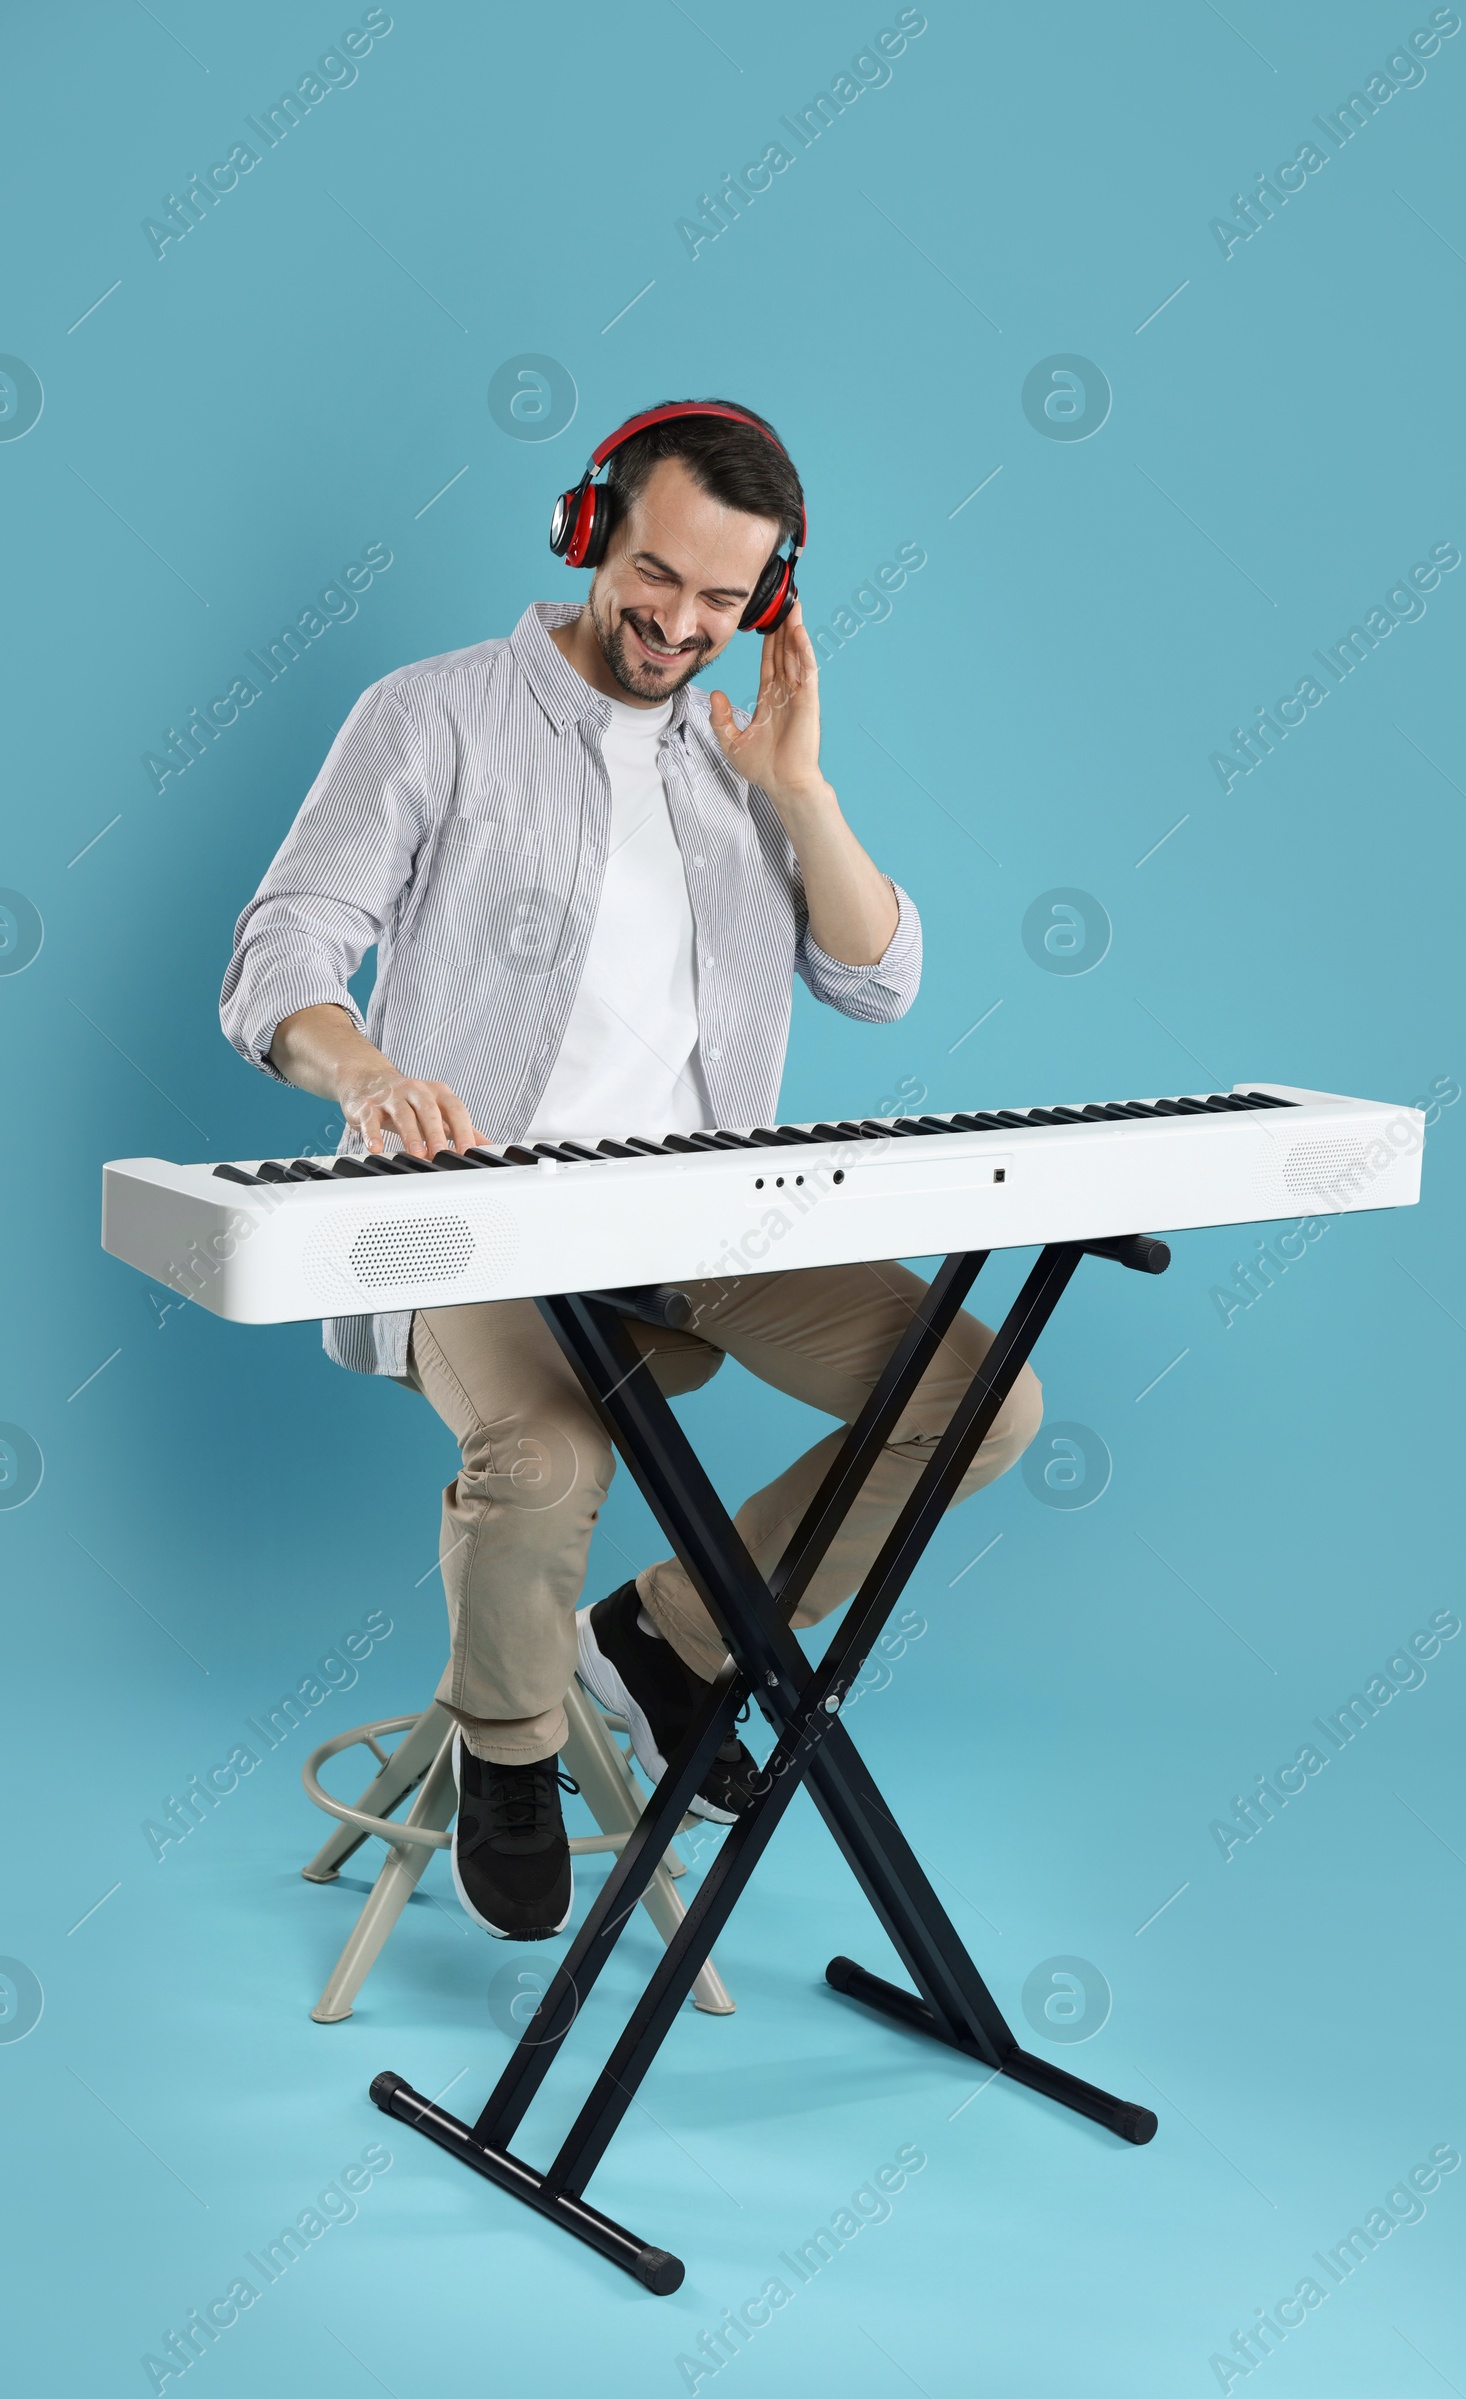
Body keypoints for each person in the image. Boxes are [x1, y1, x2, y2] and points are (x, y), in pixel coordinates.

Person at [220, 400, 1041, 1941]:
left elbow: (881, 978)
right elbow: (280, 952)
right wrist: (371, 1074)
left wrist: (799, 788)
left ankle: (664, 1645)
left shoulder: (738, 765)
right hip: (475, 1231)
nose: (679, 622)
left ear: (769, 603)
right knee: (546, 1463)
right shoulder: (432, 714)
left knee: (983, 1400)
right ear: (587, 527)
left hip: (699, 1220)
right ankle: (512, 1750)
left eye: (725, 600)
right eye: (656, 574)